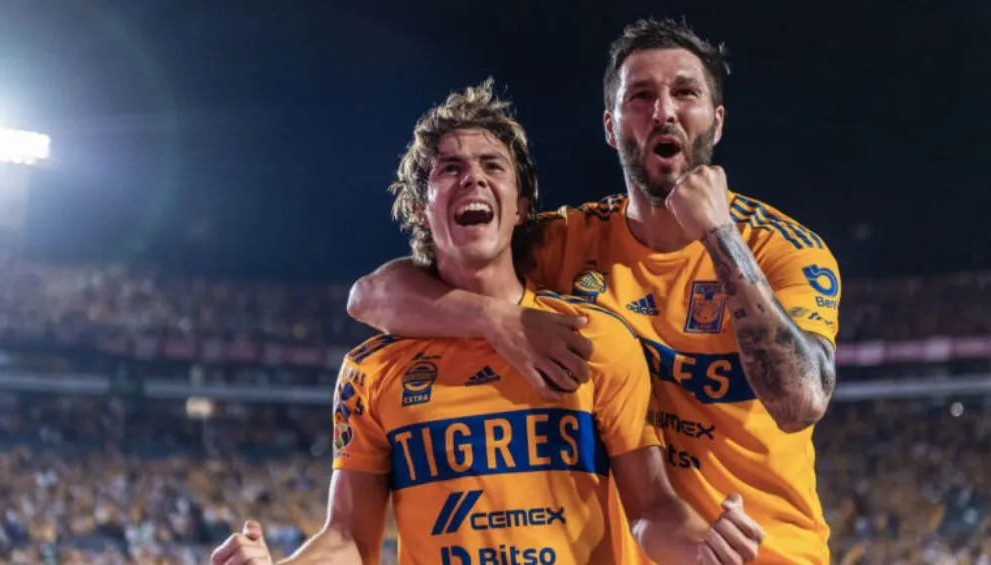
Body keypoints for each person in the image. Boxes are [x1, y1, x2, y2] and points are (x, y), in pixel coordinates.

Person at [347, 18, 840, 565]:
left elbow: (800, 403)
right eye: (641, 96)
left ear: (716, 121)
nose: (664, 111)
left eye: (685, 92)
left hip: (764, 553)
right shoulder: (568, 239)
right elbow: (372, 295)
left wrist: (717, 234)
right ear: (610, 125)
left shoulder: (785, 250)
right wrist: (492, 318)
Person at [210, 81, 763, 565]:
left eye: (492, 165)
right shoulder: (370, 370)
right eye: (449, 168)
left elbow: (650, 510)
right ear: (422, 209)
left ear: (522, 206)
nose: (471, 178)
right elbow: (351, 540)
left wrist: (699, 545)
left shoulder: (596, 338)